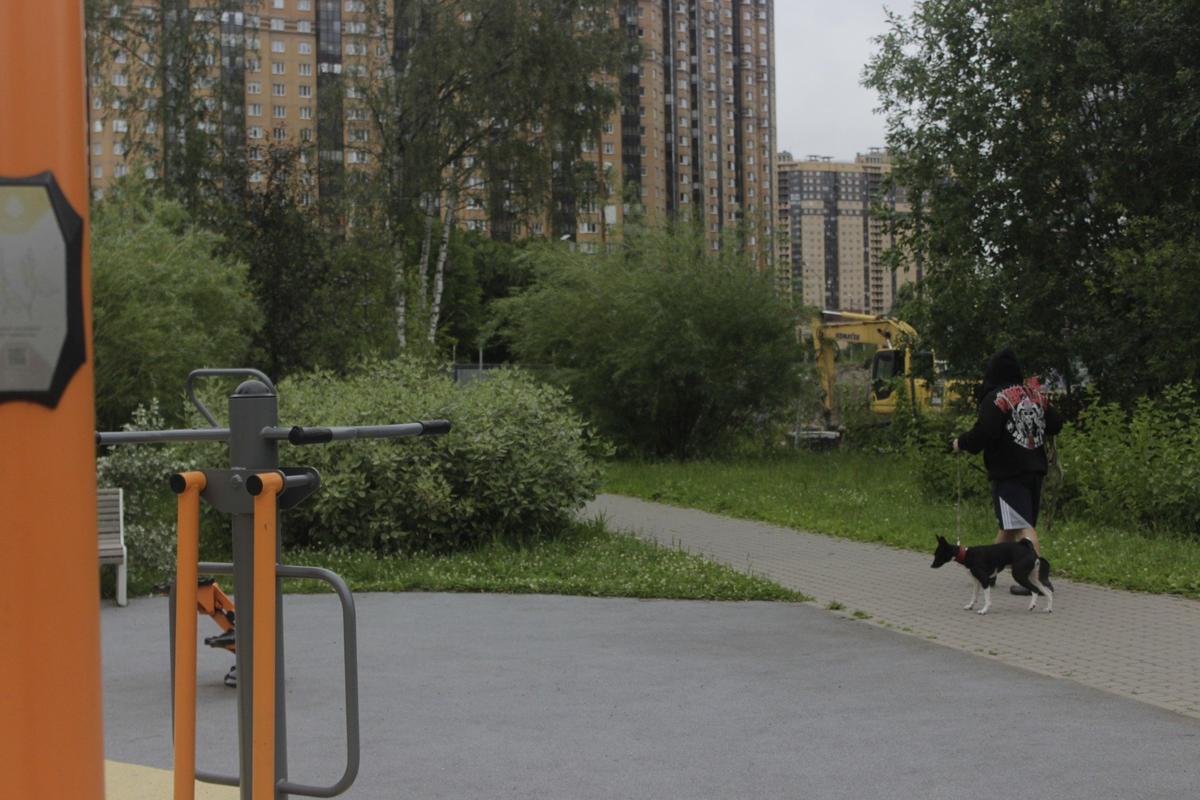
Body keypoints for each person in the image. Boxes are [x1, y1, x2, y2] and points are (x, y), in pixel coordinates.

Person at [952, 348, 1062, 594]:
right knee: (1009, 525)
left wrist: (962, 443)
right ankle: (987, 571)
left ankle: (1036, 580)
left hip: (1009, 471)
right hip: (1035, 469)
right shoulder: (1034, 395)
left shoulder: (995, 398)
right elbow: (1056, 424)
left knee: (1022, 526)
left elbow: (985, 432)